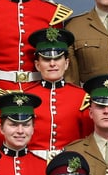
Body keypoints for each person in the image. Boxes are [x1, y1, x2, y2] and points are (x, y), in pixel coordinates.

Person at [26, 28, 92, 159]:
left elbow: (87, 140)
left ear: (66, 63)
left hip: (69, 165)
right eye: (46, 59)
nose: (52, 64)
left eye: (57, 58)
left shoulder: (82, 97)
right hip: (33, 164)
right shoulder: (26, 96)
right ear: (37, 65)